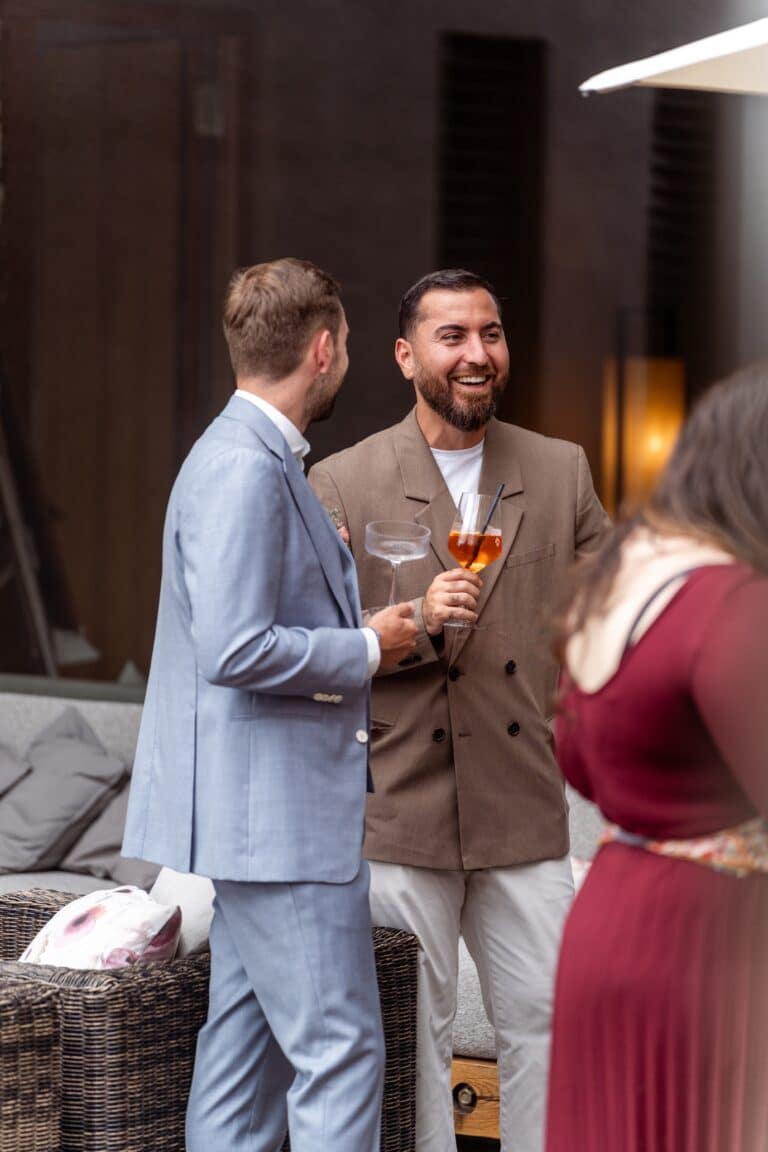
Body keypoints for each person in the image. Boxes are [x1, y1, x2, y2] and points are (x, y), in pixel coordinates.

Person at [122, 257, 418, 1152]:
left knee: (243, 1059)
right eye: (349, 349)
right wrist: (371, 646)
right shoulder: (244, 468)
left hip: (260, 820)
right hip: (279, 824)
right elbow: (235, 648)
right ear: (322, 350)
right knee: (340, 1051)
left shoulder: (247, 458)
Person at [309, 268, 608, 1152]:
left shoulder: (560, 470)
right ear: (406, 357)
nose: (478, 355)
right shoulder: (343, 482)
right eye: (453, 337)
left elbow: (613, 617)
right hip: (401, 807)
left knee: (551, 1026)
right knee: (417, 1041)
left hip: (523, 801)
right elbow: (312, 643)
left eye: (492, 333)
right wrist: (401, 624)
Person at [545, 365, 768, 1152]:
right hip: (707, 947)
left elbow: (577, 761)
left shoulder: (619, 583)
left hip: (611, 922)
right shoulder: (729, 600)